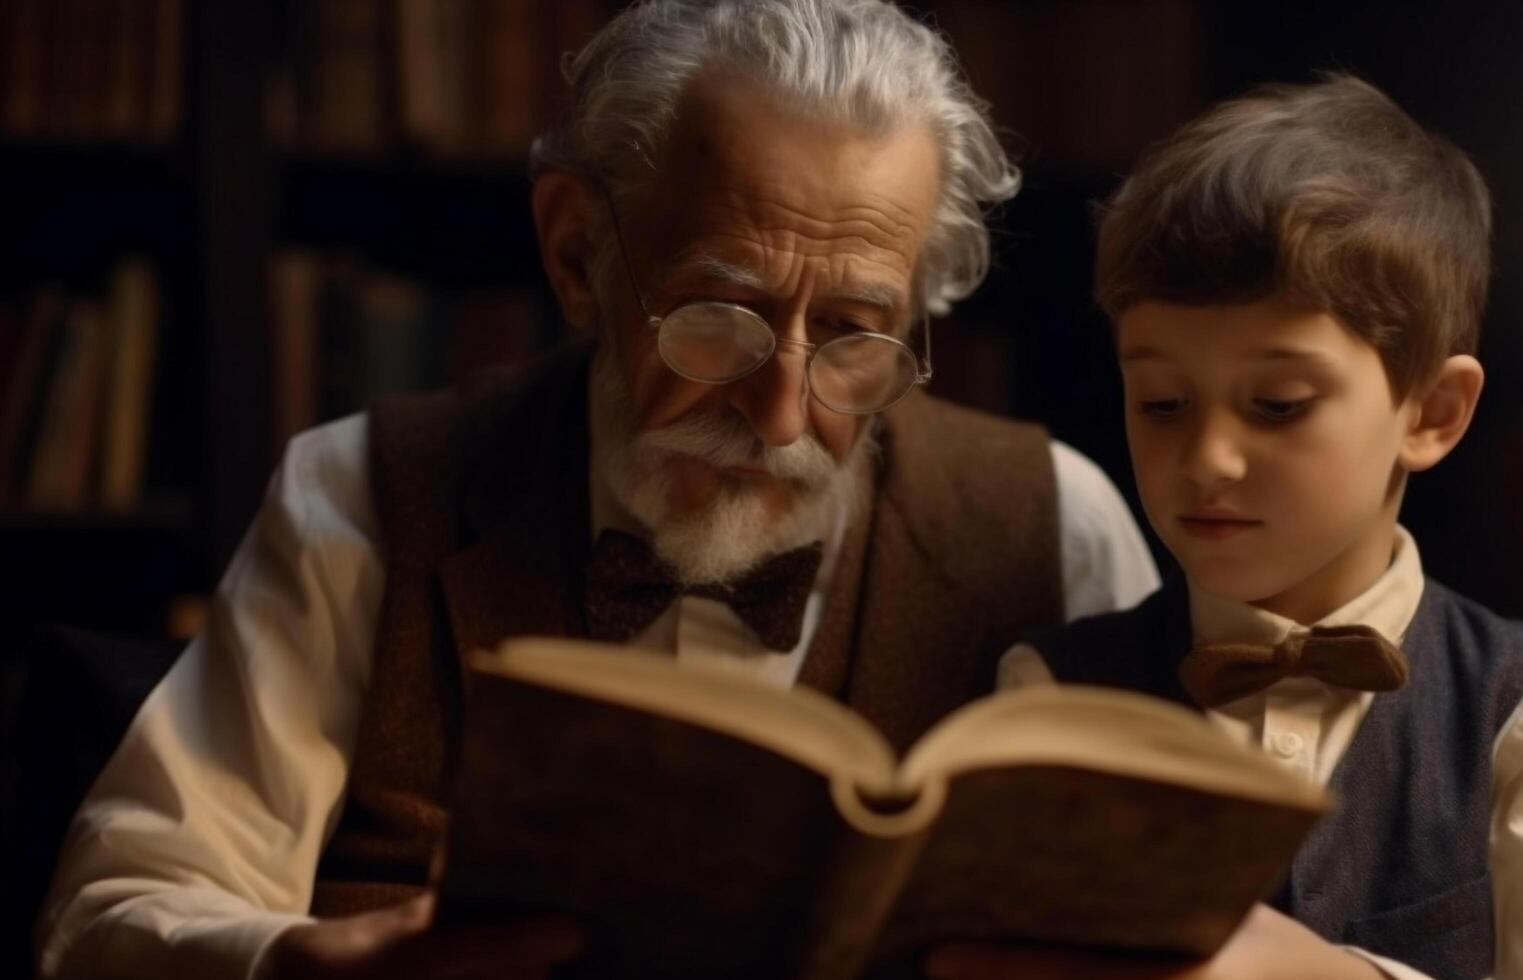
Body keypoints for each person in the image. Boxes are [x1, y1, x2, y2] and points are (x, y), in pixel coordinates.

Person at [34, 2, 1158, 978]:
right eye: (719, 316)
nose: (778, 418)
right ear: (577, 253)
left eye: (856, 334)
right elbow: (110, 915)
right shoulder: (362, 500)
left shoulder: (1051, 524)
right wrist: (292, 963)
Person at [932, 76, 1523, 980]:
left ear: (1431, 412)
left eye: (1276, 406)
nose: (1206, 458)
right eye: (1160, 402)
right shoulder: (1051, 695)